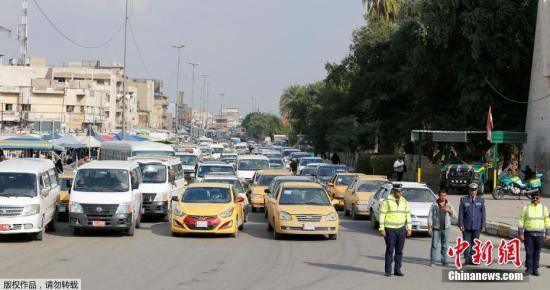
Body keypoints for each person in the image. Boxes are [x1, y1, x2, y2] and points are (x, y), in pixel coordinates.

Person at [379, 183, 412, 277]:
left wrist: (409, 228)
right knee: (390, 250)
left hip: (401, 229)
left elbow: (408, 215)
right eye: (397, 191)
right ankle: (388, 271)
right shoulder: (387, 201)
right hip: (390, 229)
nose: (399, 193)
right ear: (393, 191)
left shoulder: (404, 201)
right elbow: (382, 215)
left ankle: (397, 270)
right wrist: (382, 228)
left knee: (399, 251)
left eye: (400, 191)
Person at [518, 190, 550, 276]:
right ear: (531, 198)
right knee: (529, 252)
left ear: (540, 198)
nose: (535, 199)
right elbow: (521, 220)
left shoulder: (544, 208)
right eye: (533, 198)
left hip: (539, 235)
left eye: (537, 198)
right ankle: (529, 269)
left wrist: (548, 233)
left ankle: (535, 269)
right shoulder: (526, 208)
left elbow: (547, 220)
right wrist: (520, 232)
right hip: (528, 234)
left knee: (537, 252)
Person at [458, 183, 486, 265]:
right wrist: (461, 224)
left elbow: (483, 214)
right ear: (469, 190)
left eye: (475, 190)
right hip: (466, 226)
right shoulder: (464, 200)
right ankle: (467, 259)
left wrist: (483, 225)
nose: (473, 191)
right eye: (472, 190)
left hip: (477, 226)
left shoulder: (481, 200)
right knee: (466, 243)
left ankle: (473, 259)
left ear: (477, 190)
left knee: (475, 243)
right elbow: (461, 214)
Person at [428, 189, 454, 267]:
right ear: (439, 196)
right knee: (434, 245)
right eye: (442, 195)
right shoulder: (434, 204)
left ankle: (444, 261)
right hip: (436, 228)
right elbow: (430, 216)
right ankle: (433, 261)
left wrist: (449, 210)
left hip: (446, 228)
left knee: (445, 245)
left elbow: (453, 215)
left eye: (445, 195)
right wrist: (429, 226)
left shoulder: (449, 204)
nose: (443, 197)